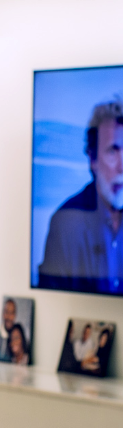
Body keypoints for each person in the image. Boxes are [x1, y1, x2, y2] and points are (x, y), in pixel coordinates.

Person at [38, 100, 123, 294]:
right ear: (92, 158)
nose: (122, 166)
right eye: (113, 151)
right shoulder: (65, 222)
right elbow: (52, 302)